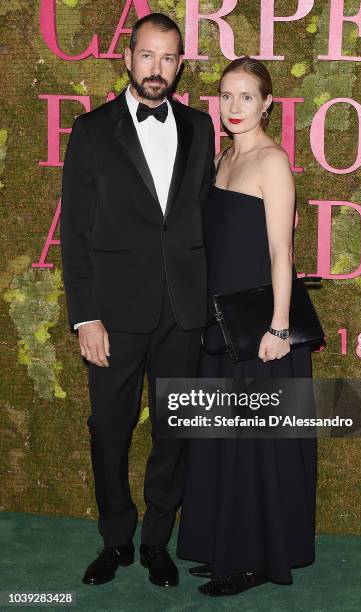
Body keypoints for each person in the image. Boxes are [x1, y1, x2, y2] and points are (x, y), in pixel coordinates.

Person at [60, 13, 215, 588]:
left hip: (183, 312)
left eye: (168, 58)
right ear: (128, 58)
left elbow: (202, 219)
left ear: (180, 65)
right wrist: (85, 315)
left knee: (175, 431)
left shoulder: (201, 129)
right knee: (110, 429)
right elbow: (75, 231)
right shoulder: (92, 130)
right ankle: (115, 539)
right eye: (147, 56)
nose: (157, 69)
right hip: (114, 316)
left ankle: (156, 542)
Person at [176, 57, 317, 597]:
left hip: (260, 328)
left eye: (246, 97)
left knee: (257, 442)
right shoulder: (221, 160)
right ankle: (223, 545)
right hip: (219, 324)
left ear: (267, 104)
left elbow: (282, 253)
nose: (234, 107)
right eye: (226, 96)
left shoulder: (272, 162)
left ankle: (257, 559)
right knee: (221, 437)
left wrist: (280, 329)